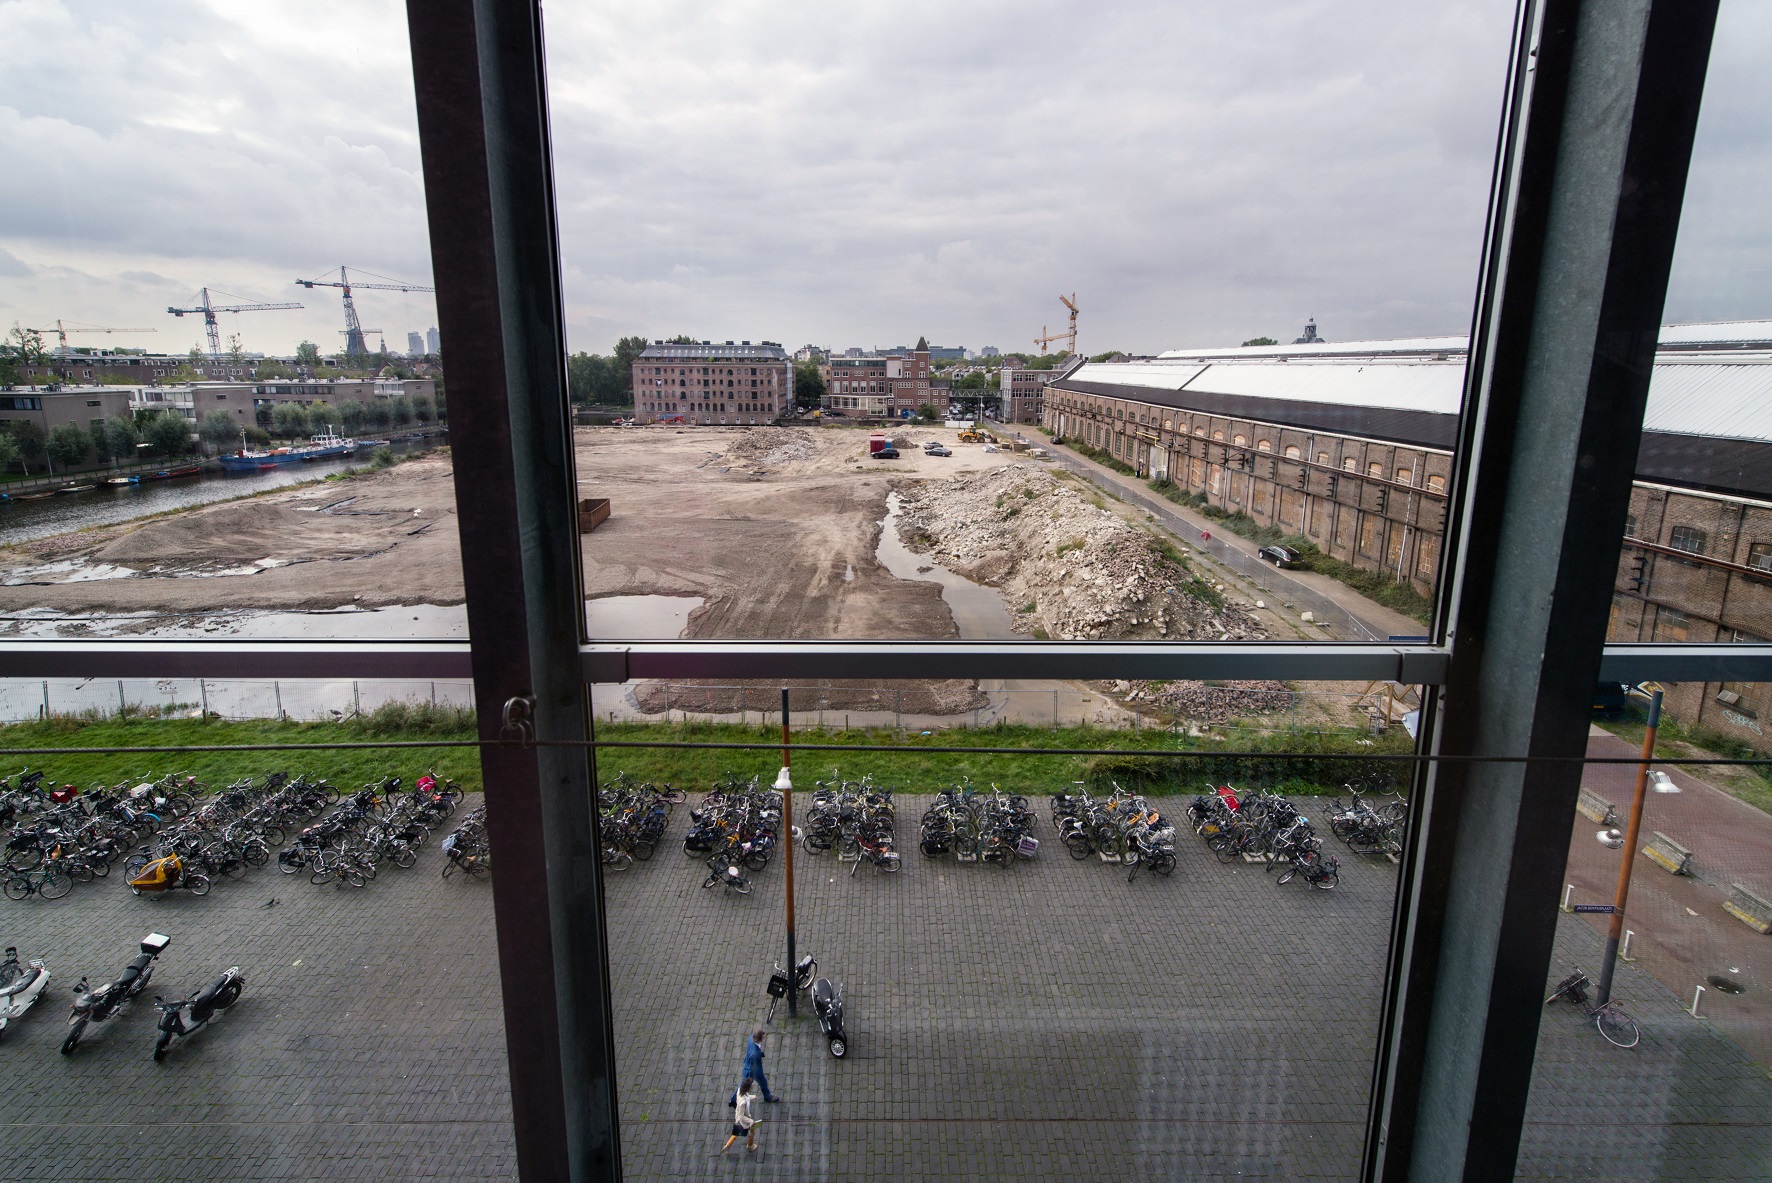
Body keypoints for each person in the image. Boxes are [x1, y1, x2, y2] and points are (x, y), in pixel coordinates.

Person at [730, 1029, 777, 1104]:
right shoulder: (755, 1054)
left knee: (743, 1083)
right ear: (760, 1039)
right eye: (763, 1037)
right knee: (761, 1082)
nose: (764, 1037)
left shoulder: (751, 1037)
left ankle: (733, 1100)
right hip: (753, 1070)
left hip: (748, 1063)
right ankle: (767, 1097)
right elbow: (753, 1066)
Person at [718, 1078, 761, 1155]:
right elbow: (741, 1116)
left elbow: (746, 1096)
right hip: (744, 1120)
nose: (752, 1087)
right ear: (747, 1088)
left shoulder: (740, 1091)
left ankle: (727, 1146)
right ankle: (750, 1146)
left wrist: (752, 1097)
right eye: (751, 1086)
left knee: (737, 1133)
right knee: (752, 1130)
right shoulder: (743, 1103)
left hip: (740, 1117)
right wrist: (750, 1121)